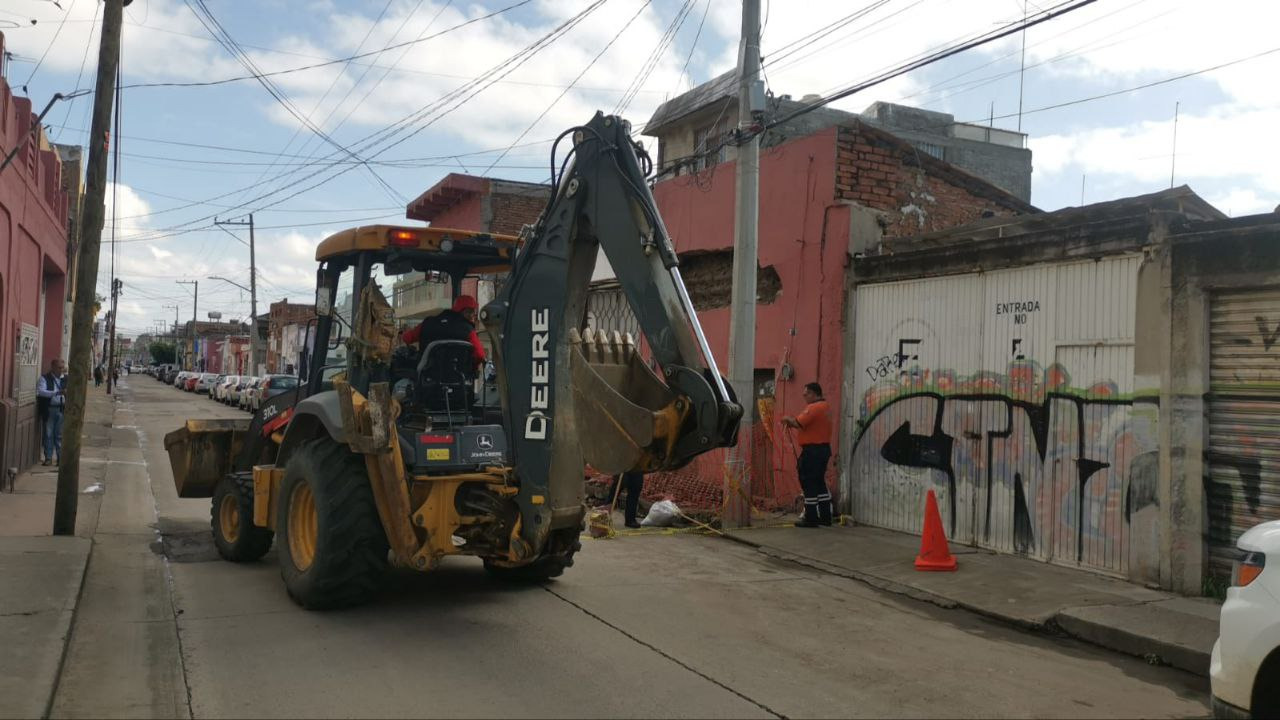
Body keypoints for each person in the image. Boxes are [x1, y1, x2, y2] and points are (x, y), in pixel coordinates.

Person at [782, 382, 833, 528]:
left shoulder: (814, 408)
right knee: (819, 482)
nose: (804, 396)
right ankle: (825, 516)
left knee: (809, 482)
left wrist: (787, 420)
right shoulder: (826, 407)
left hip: (813, 451)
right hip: (823, 449)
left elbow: (798, 423)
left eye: (806, 393)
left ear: (813, 393)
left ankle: (811, 517)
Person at [400, 294, 486, 369]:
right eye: (472, 313)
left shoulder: (428, 323)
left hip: (427, 379)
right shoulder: (468, 330)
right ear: (466, 313)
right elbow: (480, 355)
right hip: (459, 380)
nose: (473, 317)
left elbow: (406, 338)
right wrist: (471, 367)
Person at [36, 358, 68, 467]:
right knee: (48, 434)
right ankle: (48, 458)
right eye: (59, 368)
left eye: (62, 367)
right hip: (49, 409)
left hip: (62, 409)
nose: (61, 370)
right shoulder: (44, 378)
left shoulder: (66, 379)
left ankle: (60, 458)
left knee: (59, 435)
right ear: (53, 367)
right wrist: (57, 392)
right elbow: (41, 392)